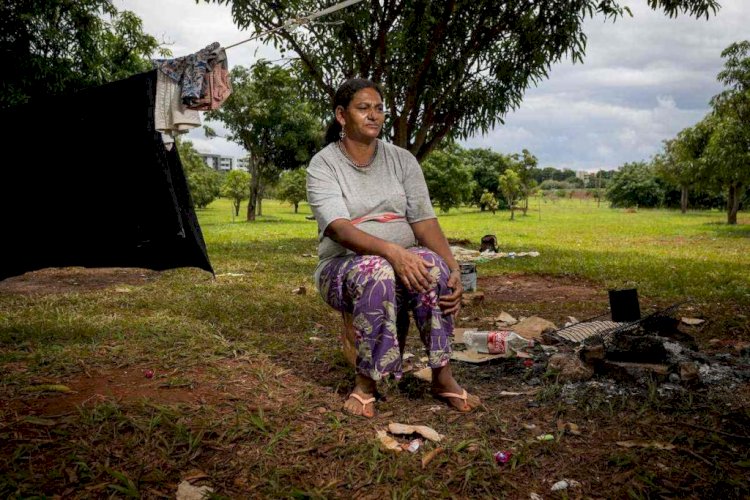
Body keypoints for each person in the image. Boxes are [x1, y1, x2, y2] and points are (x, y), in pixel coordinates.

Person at [306, 78, 480, 418]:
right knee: (378, 271)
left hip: (400, 261)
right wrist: (393, 252)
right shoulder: (324, 164)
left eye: (379, 108)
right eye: (363, 108)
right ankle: (366, 383)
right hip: (342, 267)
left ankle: (442, 374)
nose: (374, 115)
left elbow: (425, 222)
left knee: (434, 266)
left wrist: (453, 268)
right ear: (342, 116)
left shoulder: (402, 160)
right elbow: (339, 229)